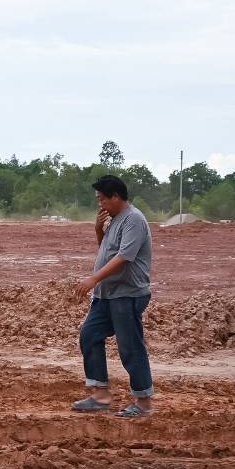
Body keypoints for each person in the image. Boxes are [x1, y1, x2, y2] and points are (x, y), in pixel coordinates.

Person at [72, 175, 154, 418]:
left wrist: (93, 278)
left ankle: (143, 402)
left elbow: (123, 258)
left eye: (102, 199)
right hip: (107, 295)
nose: (100, 204)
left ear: (116, 196)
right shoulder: (115, 219)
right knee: (90, 335)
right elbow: (106, 251)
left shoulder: (134, 220)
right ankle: (100, 395)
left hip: (127, 295)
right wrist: (98, 229)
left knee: (130, 347)